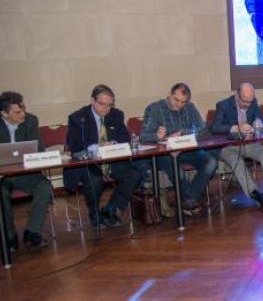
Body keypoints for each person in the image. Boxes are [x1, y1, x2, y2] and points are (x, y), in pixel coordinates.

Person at [63, 85, 142, 228]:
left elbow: (125, 138)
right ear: (93, 101)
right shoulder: (78, 118)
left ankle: (111, 209)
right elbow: (74, 145)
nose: (106, 109)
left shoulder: (116, 115)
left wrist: (113, 143)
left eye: (109, 105)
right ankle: (94, 213)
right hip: (88, 163)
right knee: (95, 180)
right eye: (102, 104)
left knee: (133, 174)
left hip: (111, 160)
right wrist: (97, 147)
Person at [140, 83, 219, 216]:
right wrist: (156, 136)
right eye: (176, 100)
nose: (178, 105)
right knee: (177, 170)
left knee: (211, 162)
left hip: (187, 150)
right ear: (169, 95)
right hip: (164, 153)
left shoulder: (190, 108)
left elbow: (203, 130)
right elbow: (143, 137)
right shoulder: (154, 109)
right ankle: (189, 200)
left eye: (183, 102)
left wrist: (184, 133)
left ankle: (188, 199)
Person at [211, 83, 263, 207]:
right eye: (244, 102)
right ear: (237, 95)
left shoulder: (253, 102)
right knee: (238, 162)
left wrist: (258, 121)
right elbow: (215, 128)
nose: (247, 105)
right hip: (228, 146)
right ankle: (255, 194)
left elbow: (262, 119)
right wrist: (236, 127)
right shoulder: (223, 105)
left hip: (248, 143)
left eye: (250, 102)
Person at [0, 92, 52, 250]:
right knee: (0, 194)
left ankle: (32, 231)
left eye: (23, 109)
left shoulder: (30, 120)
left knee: (44, 186)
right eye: (17, 112)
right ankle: (9, 236)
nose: (23, 114)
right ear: (3, 113)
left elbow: (40, 151)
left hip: (27, 174)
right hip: (3, 177)